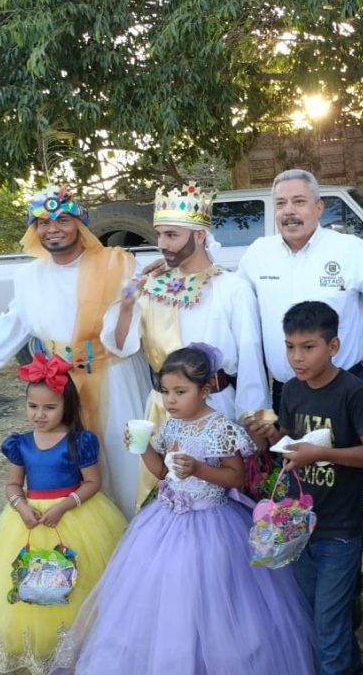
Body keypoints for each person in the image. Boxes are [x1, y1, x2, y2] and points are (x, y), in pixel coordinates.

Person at [51, 346, 316, 674]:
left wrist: (199, 470)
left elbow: (235, 478)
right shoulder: (171, 426)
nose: (170, 401)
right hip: (165, 520)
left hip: (212, 522)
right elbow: (162, 472)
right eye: (165, 392)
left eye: (180, 392)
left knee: (212, 592)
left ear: (205, 391)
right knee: (163, 589)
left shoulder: (220, 427)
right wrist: (143, 448)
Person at [0, 188, 152, 519]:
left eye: (62, 219)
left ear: (81, 224)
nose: (52, 228)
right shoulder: (29, 277)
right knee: (73, 470)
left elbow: (144, 314)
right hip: (60, 387)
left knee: (124, 466)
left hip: (114, 379)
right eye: (42, 222)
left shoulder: (118, 264)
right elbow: (8, 327)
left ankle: (135, 551)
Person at [106, 182, 269, 508]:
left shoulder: (232, 288)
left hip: (216, 408)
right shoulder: (153, 286)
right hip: (162, 408)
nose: (162, 244)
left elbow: (251, 363)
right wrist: (127, 303)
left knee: (214, 501)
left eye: (172, 235)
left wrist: (257, 424)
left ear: (199, 236)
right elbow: (121, 346)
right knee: (164, 500)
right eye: (160, 234)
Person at [249, 301, 363, 675]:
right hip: (299, 525)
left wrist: (324, 453)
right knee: (314, 614)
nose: (297, 357)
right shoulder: (292, 390)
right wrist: (271, 436)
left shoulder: (351, 391)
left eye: (308, 347)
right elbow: (292, 446)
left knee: (329, 625)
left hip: (340, 530)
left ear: (334, 346)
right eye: (290, 346)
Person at [0, 353, 127, 675]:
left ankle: (84, 640)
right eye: (33, 407)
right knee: (35, 583)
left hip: (75, 515)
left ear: (67, 407)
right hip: (30, 520)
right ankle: (46, 644)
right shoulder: (20, 444)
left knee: (80, 578)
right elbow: (12, 484)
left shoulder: (80, 441)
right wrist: (20, 506)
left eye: (49, 408)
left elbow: (93, 482)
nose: (39, 415)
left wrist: (65, 505)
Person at [237, 169, 363, 411]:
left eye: (299, 201)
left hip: (343, 390)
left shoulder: (352, 251)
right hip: (286, 392)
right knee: (288, 449)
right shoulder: (257, 255)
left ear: (319, 208)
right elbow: (236, 309)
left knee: (355, 450)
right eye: (281, 203)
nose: (289, 211)